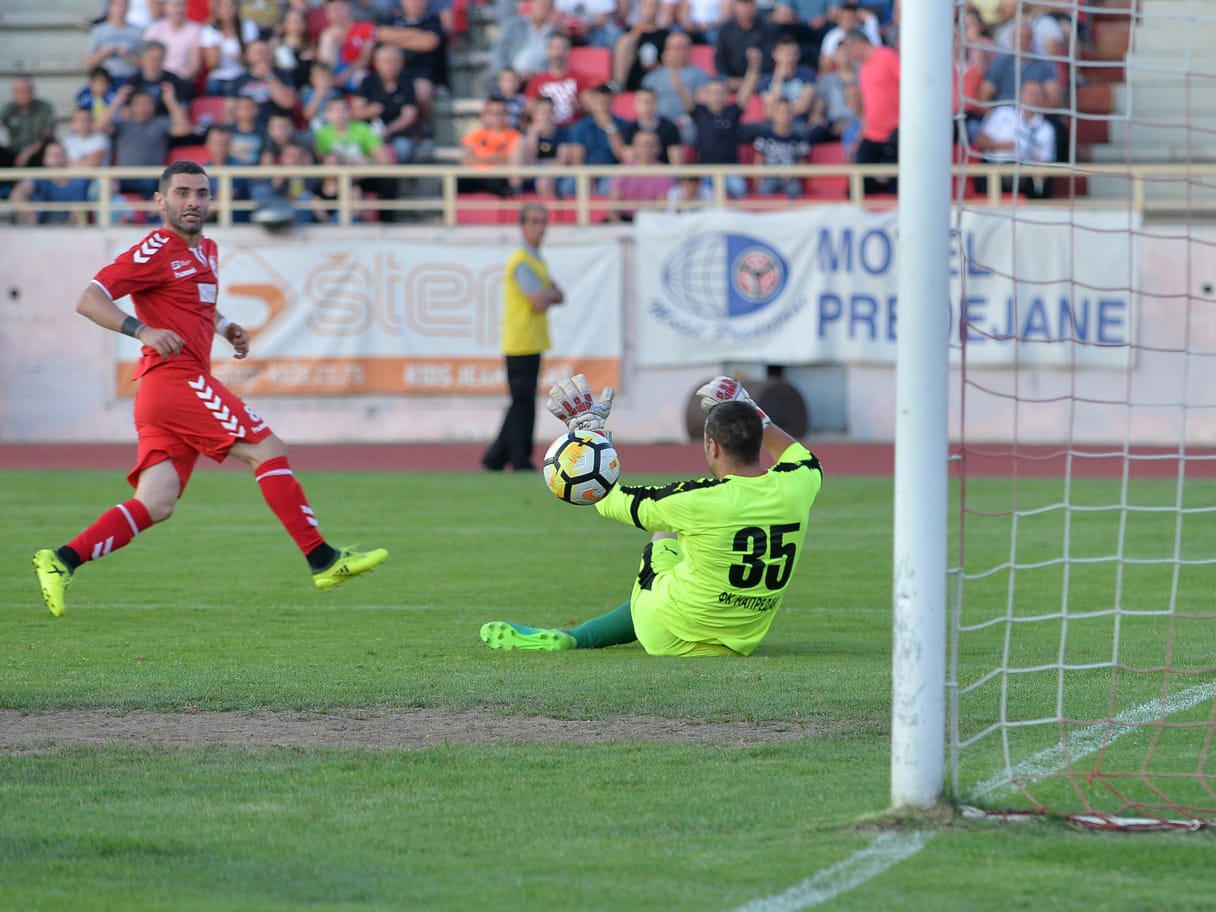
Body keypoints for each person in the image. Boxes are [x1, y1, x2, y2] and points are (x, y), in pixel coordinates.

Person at [31, 161, 388, 618]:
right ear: (160, 200)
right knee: (267, 448)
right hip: (175, 380)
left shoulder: (208, 250)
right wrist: (142, 330)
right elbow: (89, 299)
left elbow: (195, 302)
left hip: (164, 393)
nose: (192, 202)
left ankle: (61, 560)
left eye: (200, 193)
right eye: (181, 193)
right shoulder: (155, 249)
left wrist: (224, 326)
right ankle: (324, 560)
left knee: (156, 502)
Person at [480, 374, 823, 656]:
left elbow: (607, 499)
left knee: (662, 535)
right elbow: (799, 454)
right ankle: (575, 635)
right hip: (741, 639)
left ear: (712, 446)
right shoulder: (799, 484)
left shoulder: (697, 500)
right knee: (686, 557)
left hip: (668, 636)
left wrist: (589, 430)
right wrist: (752, 410)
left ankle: (575, 636)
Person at [481, 204, 565, 473]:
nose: (540, 227)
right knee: (522, 404)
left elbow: (558, 294)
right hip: (521, 341)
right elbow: (541, 299)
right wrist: (548, 294)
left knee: (522, 402)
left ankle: (495, 458)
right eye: (534, 222)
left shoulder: (535, 259)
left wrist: (549, 294)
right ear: (523, 225)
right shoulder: (522, 261)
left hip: (530, 340)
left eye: (543, 222)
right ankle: (519, 458)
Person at [973, 79, 1056, 199]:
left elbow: (1044, 160)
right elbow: (979, 141)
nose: (1033, 97)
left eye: (1037, 94)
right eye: (1030, 93)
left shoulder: (1046, 128)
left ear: (1042, 98)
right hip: (996, 168)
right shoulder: (1003, 113)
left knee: (1040, 182)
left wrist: (1039, 166)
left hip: (1024, 174)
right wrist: (1001, 145)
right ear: (1020, 94)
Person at [843, 27, 898, 195]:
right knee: (855, 190)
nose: (847, 54)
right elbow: (869, 107)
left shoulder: (887, 57)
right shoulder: (863, 69)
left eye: (848, 48)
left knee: (900, 188)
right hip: (872, 134)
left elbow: (909, 85)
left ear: (858, 44)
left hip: (896, 133)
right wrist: (860, 136)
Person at [7, 143, 94, 225]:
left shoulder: (77, 182)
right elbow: (17, 195)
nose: (56, 159)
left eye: (59, 155)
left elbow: (76, 216)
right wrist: (30, 214)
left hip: (66, 232)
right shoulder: (38, 178)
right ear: (45, 159)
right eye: (52, 155)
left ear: (66, 158)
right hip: (40, 230)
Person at [457, 95, 522, 197]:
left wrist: (478, 158)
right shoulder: (475, 135)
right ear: (487, 115)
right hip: (474, 176)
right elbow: (466, 160)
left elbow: (509, 162)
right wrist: (495, 158)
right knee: (452, 183)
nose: (497, 117)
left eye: (501, 113)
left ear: (507, 115)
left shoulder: (515, 136)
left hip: (497, 177)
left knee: (502, 187)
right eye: (494, 113)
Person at [604, 128, 673, 221]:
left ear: (658, 148)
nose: (646, 149)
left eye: (651, 145)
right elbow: (613, 207)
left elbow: (662, 208)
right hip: (625, 220)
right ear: (634, 147)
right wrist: (621, 226)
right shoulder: (624, 170)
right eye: (642, 145)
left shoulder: (665, 172)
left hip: (653, 221)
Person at [488, 0, 559, 89]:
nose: (542, 8)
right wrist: (507, 73)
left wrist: (538, 75)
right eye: (539, 4)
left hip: (539, 79)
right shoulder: (514, 25)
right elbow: (499, 51)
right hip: (511, 76)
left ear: (551, 9)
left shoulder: (555, 32)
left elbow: (556, 61)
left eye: (546, 6)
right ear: (531, 5)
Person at [142, 0, 206, 83]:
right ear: (165, 8)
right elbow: (145, 59)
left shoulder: (195, 29)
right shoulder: (155, 29)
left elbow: (194, 65)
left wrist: (176, 80)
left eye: (181, 5)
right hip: (157, 78)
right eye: (174, 6)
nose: (177, 10)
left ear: (187, 8)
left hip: (182, 79)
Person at [85, 0, 146, 82]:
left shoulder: (138, 32)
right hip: (106, 81)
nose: (122, 9)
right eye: (118, 5)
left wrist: (127, 55)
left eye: (124, 5)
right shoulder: (99, 31)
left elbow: (145, 64)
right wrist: (106, 52)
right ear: (110, 7)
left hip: (131, 80)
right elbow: (89, 63)